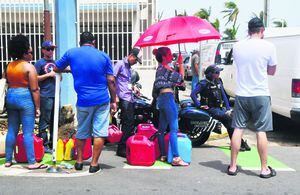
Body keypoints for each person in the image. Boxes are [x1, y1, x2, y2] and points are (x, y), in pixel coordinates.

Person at [55, 31, 117, 173]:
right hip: (101, 99)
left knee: (82, 130)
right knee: (99, 132)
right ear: (93, 42)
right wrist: (114, 100)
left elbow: (56, 67)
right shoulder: (103, 56)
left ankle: (79, 161)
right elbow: (111, 80)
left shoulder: (71, 53)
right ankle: (94, 164)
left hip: (83, 100)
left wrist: (70, 69)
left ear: (80, 42)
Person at [228, 17, 277, 178]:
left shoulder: (237, 46)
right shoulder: (269, 46)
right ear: (262, 30)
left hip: (242, 93)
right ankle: (264, 169)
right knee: (261, 131)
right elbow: (272, 71)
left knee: (238, 129)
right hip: (261, 93)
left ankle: (233, 166)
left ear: (248, 31)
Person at [5, 34, 47, 170]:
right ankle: (32, 162)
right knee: (28, 132)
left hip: (11, 96)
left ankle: (7, 160)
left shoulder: (9, 66)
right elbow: (35, 89)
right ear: (24, 53)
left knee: (12, 129)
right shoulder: (29, 67)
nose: (31, 55)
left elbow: (6, 81)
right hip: (25, 97)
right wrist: (38, 107)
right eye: (30, 52)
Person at [190, 64, 251, 151]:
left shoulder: (218, 82)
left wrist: (228, 108)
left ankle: (239, 142)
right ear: (210, 74)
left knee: (234, 118)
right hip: (211, 109)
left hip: (219, 108)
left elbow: (224, 96)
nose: (218, 74)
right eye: (217, 72)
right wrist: (199, 105)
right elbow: (193, 94)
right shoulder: (203, 83)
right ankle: (236, 144)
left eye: (219, 72)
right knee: (228, 120)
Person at [153, 47, 189, 166]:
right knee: (174, 128)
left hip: (161, 99)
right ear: (164, 57)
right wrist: (181, 63)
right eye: (169, 54)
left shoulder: (159, 69)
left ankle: (163, 154)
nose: (171, 55)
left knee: (161, 130)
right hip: (168, 98)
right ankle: (176, 157)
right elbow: (181, 78)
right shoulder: (167, 69)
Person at [113, 48, 142, 157]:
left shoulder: (129, 68)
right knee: (128, 123)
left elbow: (126, 83)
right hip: (123, 98)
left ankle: (124, 146)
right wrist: (114, 96)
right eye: (135, 60)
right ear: (131, 55)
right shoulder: (120, 64)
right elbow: (112, 79)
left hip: (129, 97)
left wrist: (134, 89)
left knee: (129, 123)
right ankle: (121, 148)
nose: (135, 62)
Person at [34, 41, 57, 153]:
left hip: (55, 95)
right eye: (48, 49)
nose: (51, 51)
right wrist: (49, 75)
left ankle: (53, 144)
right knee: (45, 121)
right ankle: (44, 144)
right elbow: (34, 78)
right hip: (45, 95)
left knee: (54, 121)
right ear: (43, 50)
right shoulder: (39, 63)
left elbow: (59, 77)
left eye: (52, 49)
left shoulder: (55, 62)